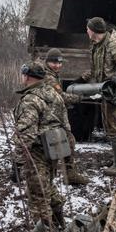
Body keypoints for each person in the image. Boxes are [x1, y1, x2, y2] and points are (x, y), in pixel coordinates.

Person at [78, 17, 116, 176]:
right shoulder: (96, 46)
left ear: (94, 31)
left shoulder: (113, 46)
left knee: (115, 126)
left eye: (88, 28)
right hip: (108, 91)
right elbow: (97, 70)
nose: (87, 30)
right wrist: (82, 78)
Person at [13, 62, 66, 229]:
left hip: (36, 153)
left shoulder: (31, 99)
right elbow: (65, 123)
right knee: (48, 187)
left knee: (38, 197)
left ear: (27, 76)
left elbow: (26, 135)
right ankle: (60, 224)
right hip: (54, 148)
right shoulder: (53, 94)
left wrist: (17, 162)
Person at [43, 48, 89, 186]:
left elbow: (61, 90)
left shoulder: (53, 74)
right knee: (55, 145)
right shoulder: (48, 77)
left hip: (57, 115)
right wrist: (79, 98)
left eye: (59, 62)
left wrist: (80, 80)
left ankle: (69, 173)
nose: (57, 65)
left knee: (69, 141)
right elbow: (60, 96)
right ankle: (50, 177)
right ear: (47, 62)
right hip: (50, 116)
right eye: (53, 62)